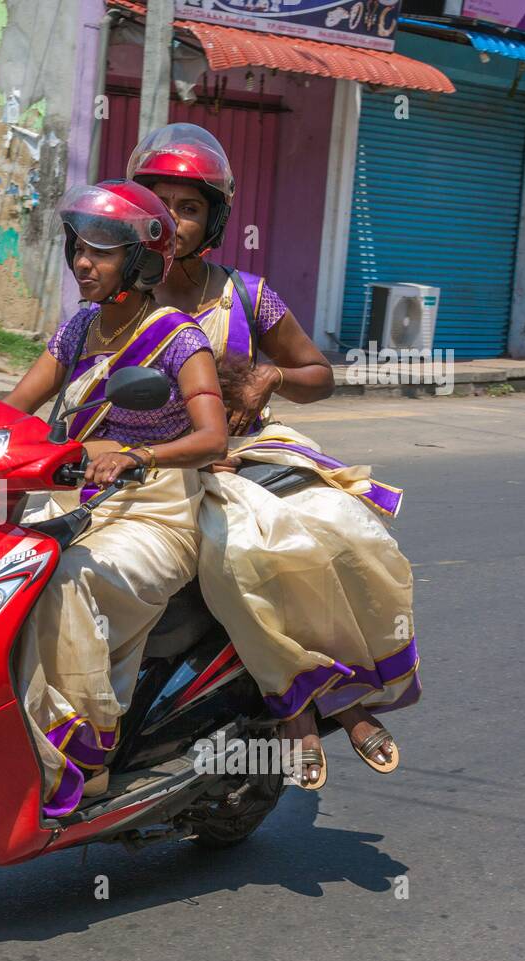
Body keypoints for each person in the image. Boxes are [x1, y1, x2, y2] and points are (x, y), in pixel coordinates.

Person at [129, 123, 420, 789]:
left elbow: (319, 372)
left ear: (215, 219)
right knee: (244, 555)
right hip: (160, 465)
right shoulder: (123, 296)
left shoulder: (247, 295)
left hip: (250, 451)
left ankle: (349, 691)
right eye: (161, 202)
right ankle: (310, 706)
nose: (173, 220)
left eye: (190, 206)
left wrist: (269, 378)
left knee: (348, 531)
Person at [3, 180, 229, 818]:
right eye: (79, 247)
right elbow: (13, 407)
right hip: (72, 496)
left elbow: (213, 437)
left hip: (153, 514)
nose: (81, 262)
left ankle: (80, 752)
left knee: (60, 574)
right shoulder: (77, 330)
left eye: (101, 252)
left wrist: (137, 454)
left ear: (139, 262)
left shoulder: (178, 337)